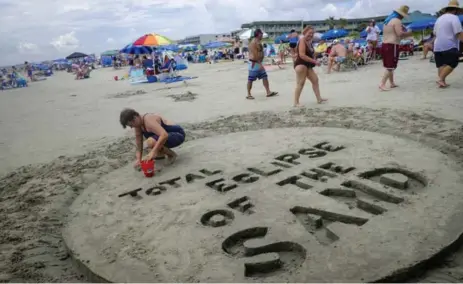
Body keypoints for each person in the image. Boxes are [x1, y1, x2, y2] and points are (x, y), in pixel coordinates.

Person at [119, 109, 185, 168]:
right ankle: (160, 154)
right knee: (147, 146)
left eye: (131, 125)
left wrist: (153, 151)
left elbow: (164, 135)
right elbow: (139, 144)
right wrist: (139, 160)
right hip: (165, 137)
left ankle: (171, 155)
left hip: (177, 135)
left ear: (134, 119)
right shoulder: (138, 125)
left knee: (149, 143)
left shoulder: (148, 120)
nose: (131, 127)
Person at [378, 5, 413, 91]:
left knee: (389, 65)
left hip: (385, 44)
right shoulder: (397, 21)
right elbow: (400, 34)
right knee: (390, 66)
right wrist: (409, 33)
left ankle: (392, 83)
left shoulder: (387, 21)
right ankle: (382, 84)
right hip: (392, 45)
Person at [293, 26, 327, 106]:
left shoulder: (309, 42)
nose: (311, 35)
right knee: (300, 83)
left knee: (315, 80)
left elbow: (311, 53)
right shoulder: (302, 40)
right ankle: (296, 102)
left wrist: (315, 56)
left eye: (312, 33)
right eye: (309, 33)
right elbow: (302, 55)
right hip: (301, 64)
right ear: (305, 32)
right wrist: (314, 61)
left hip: (307, 65)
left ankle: (319, 99)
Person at [433, 0, 463, 88]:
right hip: (449, 44)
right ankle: (441, 79)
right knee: (453, 62)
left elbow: (435, 33)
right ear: (456, 10)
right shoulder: (454, 18)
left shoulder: (439, 18)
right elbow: (458, 32)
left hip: (437, 45)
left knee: (442, 64)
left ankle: (442, 82)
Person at [246, 29, 278, 99]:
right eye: (261, 34)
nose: (262, 35)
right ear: (258, 34)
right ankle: (248, 94)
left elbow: (260, 52)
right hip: (254, 63)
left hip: (259, 62)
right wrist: (260, 64)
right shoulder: (253, 43)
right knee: (250, 79)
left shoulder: (259, 42)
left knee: (264, 77)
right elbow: (255, 54)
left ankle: (268, 92)